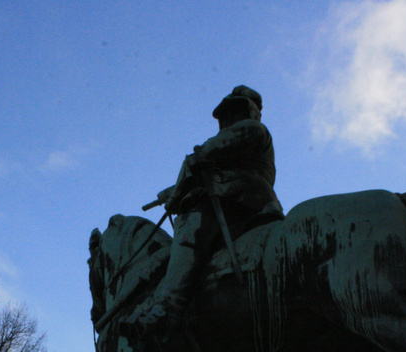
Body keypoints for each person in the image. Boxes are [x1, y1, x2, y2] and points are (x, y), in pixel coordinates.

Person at [120, 85, 284, 337]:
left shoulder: (251, 129)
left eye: (233, 110)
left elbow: (199, 158)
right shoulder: (252, 134)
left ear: (248, 110)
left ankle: (168, 306)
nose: (227, 117)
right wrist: (173, 190)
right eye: (226, 112)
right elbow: (207, 166)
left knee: (190, 232)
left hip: (238, 196)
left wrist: (177, 195)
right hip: (243, 195)